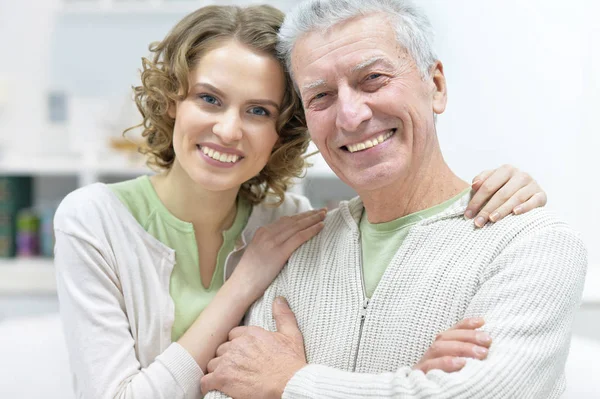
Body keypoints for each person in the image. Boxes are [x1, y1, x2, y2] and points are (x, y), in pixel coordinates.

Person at [53, 4, 548, 399]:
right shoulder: (94, 218)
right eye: (208, 99)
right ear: (170, 103)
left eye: (258, 110)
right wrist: (246, 279)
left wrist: (411, 379)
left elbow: (281, 380)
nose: (228, 129)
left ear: (282, 132)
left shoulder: (290, 223)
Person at [200, 1, 587, 399]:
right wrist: (414, 382)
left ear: (435, 85)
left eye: (373, 78)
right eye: (321, 96)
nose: (350, 116)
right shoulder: (293, 251)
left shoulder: (531, 244)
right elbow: (227, 389)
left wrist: (288, 382)